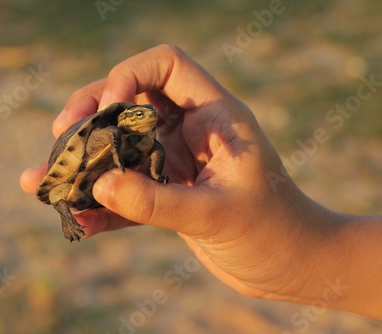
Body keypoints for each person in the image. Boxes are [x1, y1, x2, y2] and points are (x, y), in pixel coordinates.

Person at [20, 44, 382, 320]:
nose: (144, 116)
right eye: (136, 113)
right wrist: (320, 261)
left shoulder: (147, 141)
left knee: (138, 159)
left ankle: (72, 214)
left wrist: (159, 176)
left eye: (146, 114)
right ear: (125, 117)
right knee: (60, 194)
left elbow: (156, 153)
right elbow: (107, 139)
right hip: (79, 162)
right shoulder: (108, 133)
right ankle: (68, 216)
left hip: (114, 166)